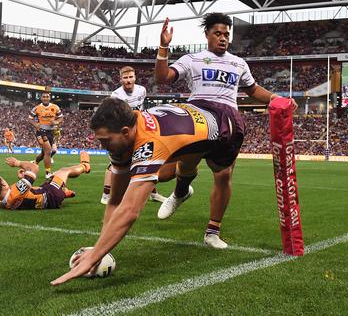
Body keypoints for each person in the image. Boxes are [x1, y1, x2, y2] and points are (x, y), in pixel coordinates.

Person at [50, 98, 244, 286]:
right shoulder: (124, 134)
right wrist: (100, 249)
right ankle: (182, 191)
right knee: (177, 165)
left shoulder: (150, 144)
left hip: (225, 126)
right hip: (194, 115)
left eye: (106, 140)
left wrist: (93, 256)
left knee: (221, 173)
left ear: (125, 132)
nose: (103, 146)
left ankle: (211, 228)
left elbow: (129, 210)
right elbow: (116, 200)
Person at [153, 13, 297, 249]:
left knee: (224, 175)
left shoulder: (239, 63)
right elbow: (163, 78)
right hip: (198, 114)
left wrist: (277, 99)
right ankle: (180, 193)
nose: (223, 38)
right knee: (187, 165)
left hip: (229, 118)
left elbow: (253, 90)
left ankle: (212, 232)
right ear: (207, 34)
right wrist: (163, 46)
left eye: (226, 34)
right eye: (218, 33)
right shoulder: (192, 59)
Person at [101, 65, 166, 205]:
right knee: (114, 164)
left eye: (131, 77)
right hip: (123, 133)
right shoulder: (116, 95)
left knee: (147, 160)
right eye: (125, 78)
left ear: (135, 78)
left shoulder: (142, 90)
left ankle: (153, 194)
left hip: (139, 130)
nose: (128, 80)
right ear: (120, 80)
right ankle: (106, 195)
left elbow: (141, 109)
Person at [0, 152, 91, 210]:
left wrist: (23, 179)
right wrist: (18, 163)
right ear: (2, 183)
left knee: (53, 176)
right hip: (51, 195)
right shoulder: (17, 191)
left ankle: (65, 192)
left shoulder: (0, 201)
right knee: (64, 171)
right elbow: (34, 167)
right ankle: (85, 166)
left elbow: (22, 194)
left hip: (44, 196)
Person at [29, 92, 63, 178]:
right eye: (44, 96)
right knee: (48, 151)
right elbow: (30, 118)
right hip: (41, 131)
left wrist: (56, 122)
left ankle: (35, 163)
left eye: (47, 96)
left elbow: (61, 117)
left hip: (51, 132)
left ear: (49, 98)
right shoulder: (36, 108)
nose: (45, 98)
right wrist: (35, 124)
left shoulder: (55, 107)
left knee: (44, 153)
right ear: (41, 98)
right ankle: (48, 173)